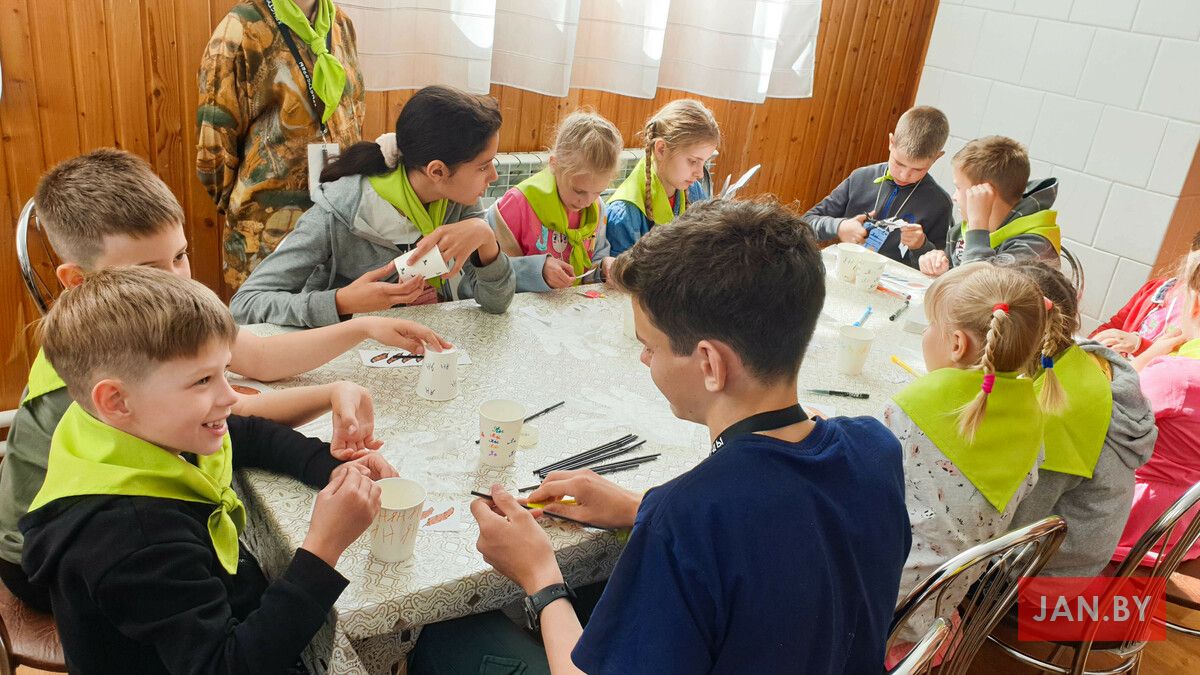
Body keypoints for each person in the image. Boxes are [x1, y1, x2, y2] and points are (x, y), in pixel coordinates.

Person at [411, 199, 910, 674]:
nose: (644, 358)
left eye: (650, 346)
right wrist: (638, 506)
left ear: (710, 364)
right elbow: (779, 527)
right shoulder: (876, 448)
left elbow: (718, 526)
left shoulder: (689, 519)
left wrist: (539, 575)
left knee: (445, 635)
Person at [0, 149, 446, 611]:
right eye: (148, 271)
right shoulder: (98, 368)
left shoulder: (155, 314)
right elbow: (236, 412)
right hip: (43, 565)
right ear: (77, 280)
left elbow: (261, 359)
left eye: (180, 256)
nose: (177, 280)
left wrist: (362, 328)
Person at [20, 267, 396, 673]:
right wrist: (323, 548)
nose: (230, 396)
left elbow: (245, 434)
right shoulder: (137, 540)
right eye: (202, 380)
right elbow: (226, 666)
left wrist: (332, 466)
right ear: (116, 401)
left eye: (224, 372)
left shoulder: (120, 430)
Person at [230, 85, 515, 327]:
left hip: (421, 348)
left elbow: (497, 303)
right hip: (348, 355)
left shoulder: (459, 203)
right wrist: (340, 302)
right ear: (437, 171)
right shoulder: (337, 215)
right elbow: (244, 304)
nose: (494, 176)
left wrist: (485, 237)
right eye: (484, 166)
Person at [884, 262, 1046, 643]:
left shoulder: (911, 409)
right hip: (937, 611)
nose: (926, 333)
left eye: (930, 325)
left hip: (879, 605)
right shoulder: (1034, 422)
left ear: (957, 344)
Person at [198, 0, 367, 291]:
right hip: (268, 237)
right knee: (269, 319)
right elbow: (214, 150)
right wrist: (249, 210)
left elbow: (354, 116)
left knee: (334, 314)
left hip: (338, 226)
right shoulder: (241, 29)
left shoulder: (340, 24)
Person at [1005, 260, 1156, 576]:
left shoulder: (1059, 412)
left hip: (1043, 575)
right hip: (1058, 550)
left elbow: (1011, 526)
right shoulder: (1073, 359)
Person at [1113, 250, 1200, 565]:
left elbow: (1105, 410)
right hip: (1186, 534)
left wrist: (1150, 354)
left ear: (1194, 303)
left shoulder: (1176, 377)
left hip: (1134, 529)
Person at [803, 106, 953, 269]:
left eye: (918, 169)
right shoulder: (861, 177)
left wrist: (921, 246)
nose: (904, 175)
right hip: (846, 270)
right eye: (899, 163)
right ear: (891, 143)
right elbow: (805, 223)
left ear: (937, 157)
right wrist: (839, 227)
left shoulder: (939, 203)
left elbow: (939, 267)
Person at [488, 111, 623, 292]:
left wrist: (603, 269)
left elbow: (592, 265)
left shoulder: (596, 208)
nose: (587, 201)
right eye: (578, 190)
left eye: (598, 192)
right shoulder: (518, 204)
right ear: (554, 164)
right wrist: (538, 270)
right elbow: (488, 274)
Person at [919, 136, 1061, 277]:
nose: (953, 197)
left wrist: (978, 227)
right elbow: (953, 281)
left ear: (985, 194)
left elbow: (980, 286)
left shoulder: (1034, 246)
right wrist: (938, 265)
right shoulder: (960, 232)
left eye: (958, 188)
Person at [605, 99, 720, 254]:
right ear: (661, 149)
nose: (700, 174)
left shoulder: (694, 191)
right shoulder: (625, 213)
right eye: (693, 161)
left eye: (704, 162)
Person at [1089, 231, 1200, 356]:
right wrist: (1089, 344)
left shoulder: (1195, 318)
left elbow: (1184, 362)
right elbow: (1115, 325)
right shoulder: (1156, 289)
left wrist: (1139, 345)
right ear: (1191, 250)